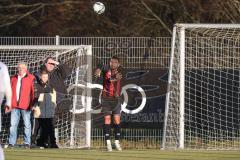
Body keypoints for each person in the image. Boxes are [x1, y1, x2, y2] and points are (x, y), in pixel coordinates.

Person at [95, 56, 123, 151]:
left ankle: (116, 142)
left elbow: (112, 79)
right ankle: (108, 143)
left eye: (115, 62)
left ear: (118, 64)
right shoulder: (106, 69)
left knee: (116, 120)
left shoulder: (121, 71)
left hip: (116, 99)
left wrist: (111, 78)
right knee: (107, 118)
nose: (113, 64)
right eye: (111, 62)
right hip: (106, 98)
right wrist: (98, 69)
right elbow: (99, 65)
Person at [8, 62, 35, 148]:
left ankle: (27, 143)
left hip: (26, 106)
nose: (20, 69)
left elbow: (33, 92)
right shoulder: (13, 78)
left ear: (26, 69)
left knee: (27, 125)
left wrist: (33, 104)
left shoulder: (31, 78)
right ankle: (11, 143)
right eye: (19, 68)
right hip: (14, 106)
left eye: (22, 68)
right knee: (13, 125)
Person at [32, 69, 58, 148]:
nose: (45, 78)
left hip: (49, 112)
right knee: (36, 128)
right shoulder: (37, 86)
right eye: (43, 77)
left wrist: (54, 107)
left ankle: (51, 143)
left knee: (49, 129)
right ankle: (33, 142)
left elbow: (54, 98)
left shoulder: (51, 86)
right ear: (40, 77)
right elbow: (35, 98)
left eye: (46, 77)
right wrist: (35, 106)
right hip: (39, 111)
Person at [0, 62, 12, 159]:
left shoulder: (2, 67)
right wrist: (8, 101)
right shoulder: (2, 66)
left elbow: (7, 86)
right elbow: (7, 87)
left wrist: (9, 101)